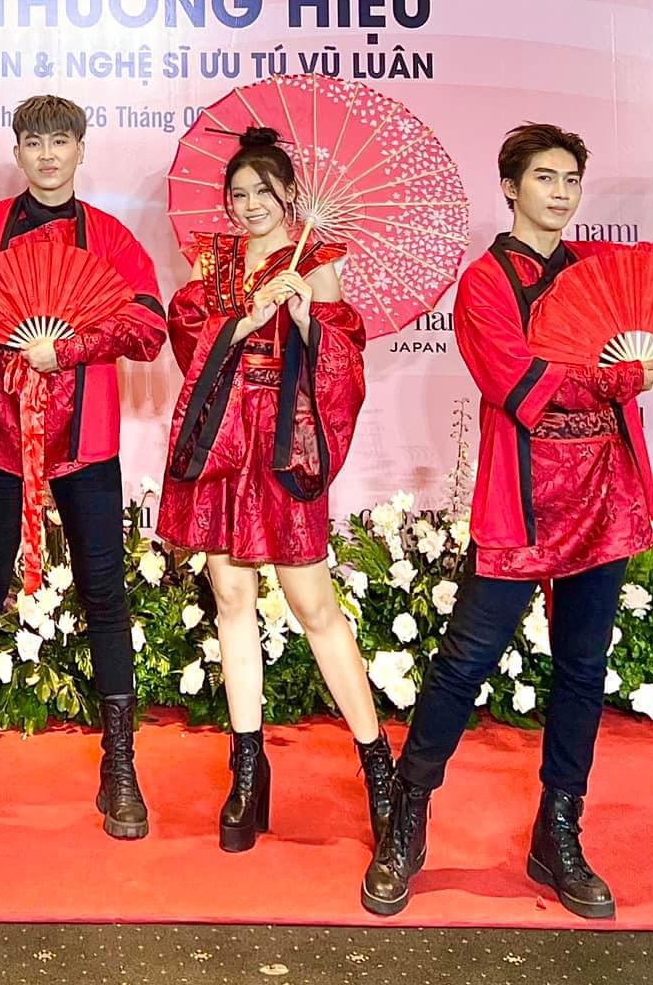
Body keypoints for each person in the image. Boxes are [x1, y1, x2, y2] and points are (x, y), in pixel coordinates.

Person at [361, 121, 653, 918]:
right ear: (511, 188)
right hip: (523, 502)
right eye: (545, 177)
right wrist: (619, 378)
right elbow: (524, 388)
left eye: (571, 178)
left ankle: (558, 832)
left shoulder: (601, 267)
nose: (561, 192)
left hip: (604, 496)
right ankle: (408, 813)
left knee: (581, 671)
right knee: (464, 665)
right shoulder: (485, 285)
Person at [0, 94, 168, 838]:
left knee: (105, 597)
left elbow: (149, 327)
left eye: (61, 141)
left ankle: (120, 768)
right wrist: (6, 334)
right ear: (18, 153)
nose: (48, 155)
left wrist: (71, 347)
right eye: (34, 142)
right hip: (1, 441)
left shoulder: (111, 237)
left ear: (81, 150)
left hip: (86, 443)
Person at [155, 126, 390, 852]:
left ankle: (379, 770)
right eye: (239, 194)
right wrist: (244, 320)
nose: (250, 204)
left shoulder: (318, 261)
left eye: (263, 191)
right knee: (231, 600)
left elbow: (345, 366)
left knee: (314, 606)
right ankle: (248, 772)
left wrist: (306, 320)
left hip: (286, 441)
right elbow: (188, 339)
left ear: (290, 195)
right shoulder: (215, 261)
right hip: (225, 441)